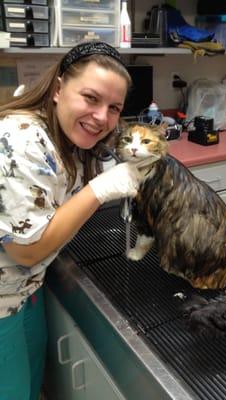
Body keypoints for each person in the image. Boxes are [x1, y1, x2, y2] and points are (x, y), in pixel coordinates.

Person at [0, 41, 143, 400]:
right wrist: (99, 189)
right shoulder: (22, 140)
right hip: (7, 289)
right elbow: (27, 251)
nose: (101, 117)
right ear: (59, 89)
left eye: (114, 108)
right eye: (90, 98)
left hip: (25, 290)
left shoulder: (70, 137)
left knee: (31, 381)